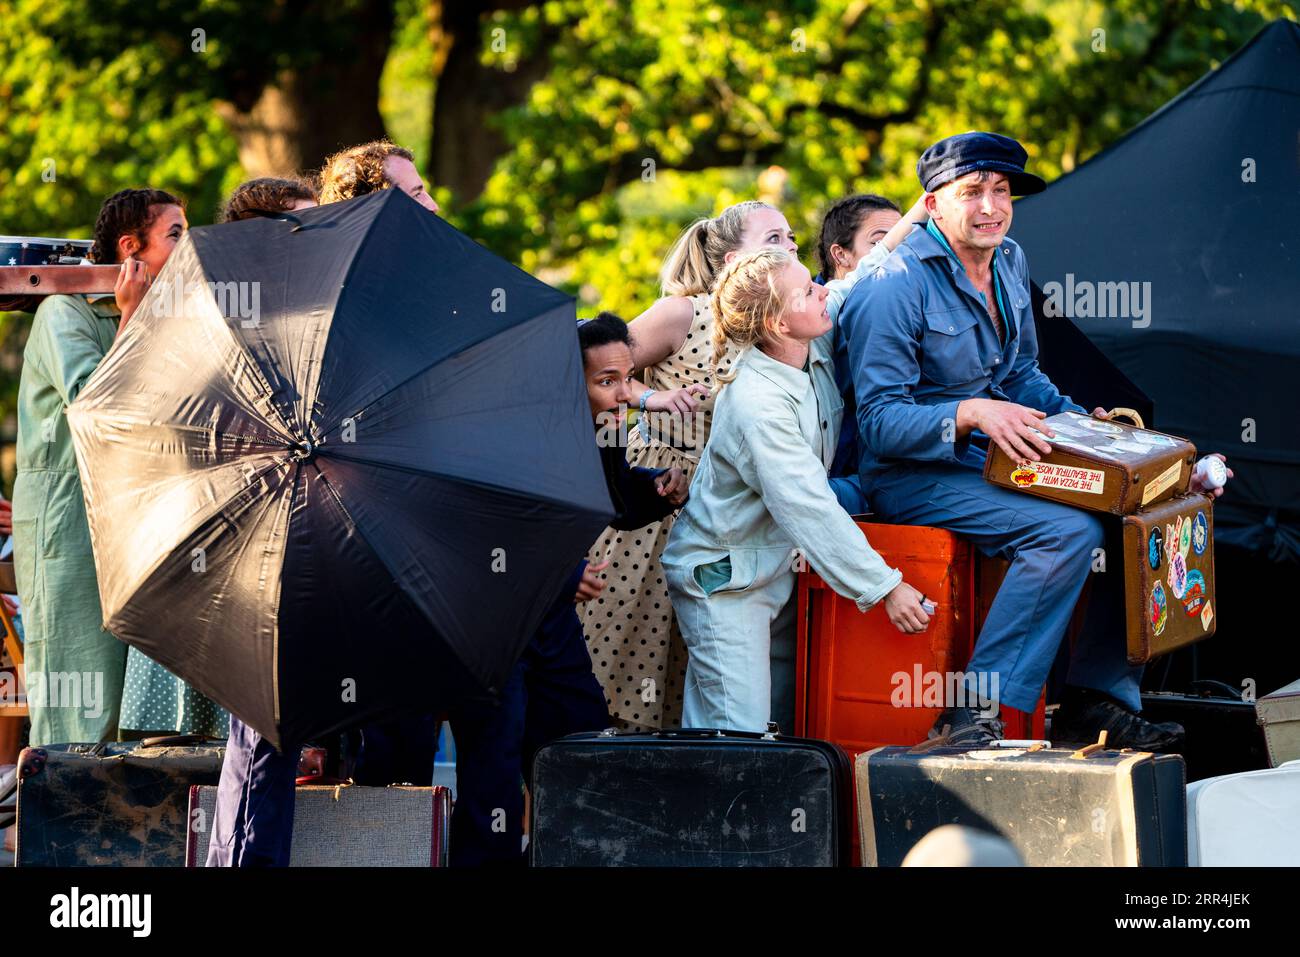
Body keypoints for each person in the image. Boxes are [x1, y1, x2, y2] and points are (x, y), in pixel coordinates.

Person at [841, 131, 1232, 748]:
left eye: (1002, 192)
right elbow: (879, 424)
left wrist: (1088, 431)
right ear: (933, 202)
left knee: (1142, 501)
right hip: (910, 474)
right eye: (973, 192)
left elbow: (1021, 376)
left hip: (1001, 456)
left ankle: (1097, 700)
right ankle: (971, 712)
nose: (991, 207)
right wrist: (970, 413)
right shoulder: (890, 284)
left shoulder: (1010, 259)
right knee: (1066, 532)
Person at [449, 313, 689, 865]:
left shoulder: (598, 428)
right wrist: (558, 576)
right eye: (607, 381)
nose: (623, 394)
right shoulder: (510, 434)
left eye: (628, 378)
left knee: (582, 751)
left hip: (552, 628)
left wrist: (657, 490)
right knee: (494, 773)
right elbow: (483, 532)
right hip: (493, 631)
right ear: (565, 379)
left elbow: (610, 498)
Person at [661, 248, 931, 732]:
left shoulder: (807, 345)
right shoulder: (758, 405)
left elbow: (858, 280)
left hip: (773, 567)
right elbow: (807, 505)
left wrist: (931, 206)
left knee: (780, 724)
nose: (824, 290)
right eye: (808, 290)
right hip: (725, 579)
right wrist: (884, 586)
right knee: (734, 732)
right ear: (778, 323)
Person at [582, 200, 798, 732]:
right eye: (773, 239)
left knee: (694, 680)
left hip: (726, 513)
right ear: (729, 262)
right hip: (653, 503)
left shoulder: (777, 328)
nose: (790, 248)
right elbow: (595, 367)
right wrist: (651, 400)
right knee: (623, 663)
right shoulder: (686, 313)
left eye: (793, 238)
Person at [13, 188, 186, 747]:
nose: (189, 250)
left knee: (120, 687)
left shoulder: (165, 312)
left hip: (131, 515)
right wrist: (133, 316)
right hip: (71, 520)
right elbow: (97, 403)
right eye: (176, 236)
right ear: (131, 248)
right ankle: (51, 823)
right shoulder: (65, 312)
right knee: (73, 674)